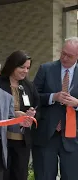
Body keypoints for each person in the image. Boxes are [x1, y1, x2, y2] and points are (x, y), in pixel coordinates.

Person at [33, 37, 78, 180]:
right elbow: (33, 97)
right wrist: (53, 97)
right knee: (45, 176)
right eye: (63, 53)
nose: (64, 58)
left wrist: (76, 103)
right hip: (47, 134)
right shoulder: (46, 69)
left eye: (69, 56)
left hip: (73, 137)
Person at [0, 50, 39, 180]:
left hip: (22, 141)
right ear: (12, 65)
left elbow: (38, 106)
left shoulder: (29, 86)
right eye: (22, 67)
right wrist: (14, 115)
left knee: (20, 175)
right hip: (1, 140)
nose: (25, 71)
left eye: (28, 68)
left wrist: (32, 114)